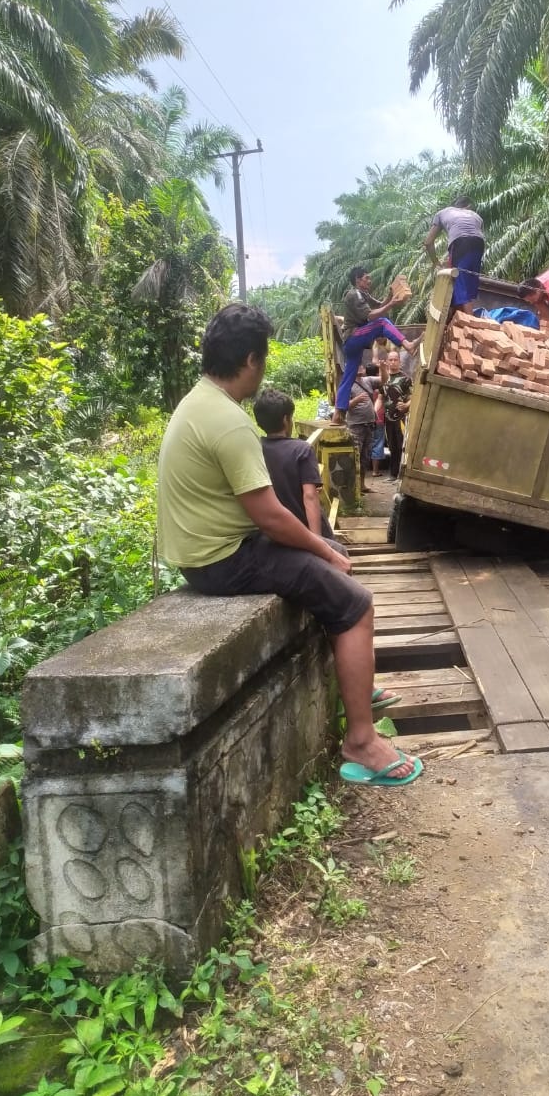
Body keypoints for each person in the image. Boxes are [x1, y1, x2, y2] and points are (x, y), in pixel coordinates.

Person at [157, 303, 420, 787]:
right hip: (226, 561)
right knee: (356, 603)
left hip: (203, 556)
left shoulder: (198, 403)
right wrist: (326, 549)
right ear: (252, 360)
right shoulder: (228, 421)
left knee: (323, 579)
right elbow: (272, 518)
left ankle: (359, 687)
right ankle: (361, 740)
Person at [253, 388, 346, 555]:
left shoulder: (255, 449)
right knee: (340, 554)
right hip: (302, 530)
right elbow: (310, 495)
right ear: (286, 419)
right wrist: (317, 541)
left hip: (272, 533)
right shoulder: (301, 450)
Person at [334, 268, 418, 423]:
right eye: (366, 278)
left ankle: (337, 414)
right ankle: (408, 345)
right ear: (358, 280)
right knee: (382, 323)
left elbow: (380, 305)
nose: (369, 281)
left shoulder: (363, 295)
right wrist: (392, 303)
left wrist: (391, 295)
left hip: (353, 344)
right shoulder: (354, 294)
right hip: (353, 337)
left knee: (348, 377)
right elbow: (372, 315)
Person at [424, 195, 486, 313]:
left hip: (461, 243)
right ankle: (459, 320)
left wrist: (436, 262)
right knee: (468, 284)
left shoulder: (442, 213)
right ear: (468, 207)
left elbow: (428, 242)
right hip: (479, 244)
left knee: (459, 283)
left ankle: (470, 324)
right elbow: (476, 235)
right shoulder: (476, 216)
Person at [346, 365, 378, 494]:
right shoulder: (347, 384)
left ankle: (362, 485)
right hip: (356, 426)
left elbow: (385, 380)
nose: (360, 367)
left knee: (365, 457)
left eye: (361, 365)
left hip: (369, 425)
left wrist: (382, 367)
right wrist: (355, 400)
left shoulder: (368, 380)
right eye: (357, 365)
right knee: (355, 457)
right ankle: (353, 488)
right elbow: (342, 405)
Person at [382, 349, 412, 480]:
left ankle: (401, 474)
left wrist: (406, 405)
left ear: (400, 362)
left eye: (395, 360)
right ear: (387, 362)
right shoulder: (385, 378)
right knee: (392, 446)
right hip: (388, 418)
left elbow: (414, 396)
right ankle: (393, 474)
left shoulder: (405, 379)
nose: (393, 362)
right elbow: (380, 397)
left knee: (401, 446)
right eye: (391, 360)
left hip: (401, 418)